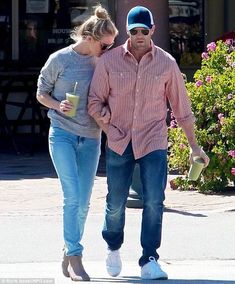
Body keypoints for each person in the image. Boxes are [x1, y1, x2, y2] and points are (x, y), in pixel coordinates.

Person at [88, 5, 210, 280]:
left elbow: (182, 109)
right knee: (116, 202)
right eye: (134, 31)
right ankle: (113, 246)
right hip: (120, 141)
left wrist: (194, 147)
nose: (139, 35)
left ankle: (149, 259)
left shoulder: (167, 63)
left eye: (144, 30)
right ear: (128, 32)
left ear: (152, 30)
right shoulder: (109, 62)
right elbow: (94, 103)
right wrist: (110, 127)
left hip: (153, 139)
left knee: (155, 200)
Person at [36, 5, 118, 281]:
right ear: (92, 39)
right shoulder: (59, 60)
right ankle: (76, 255)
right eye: (106, 46)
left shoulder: (103, 63)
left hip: (92, 138)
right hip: (62, 134)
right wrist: (57, 105)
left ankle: (67, 251)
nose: (109, 50)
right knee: (71, 197)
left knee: (83, 202)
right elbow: (41, 92)